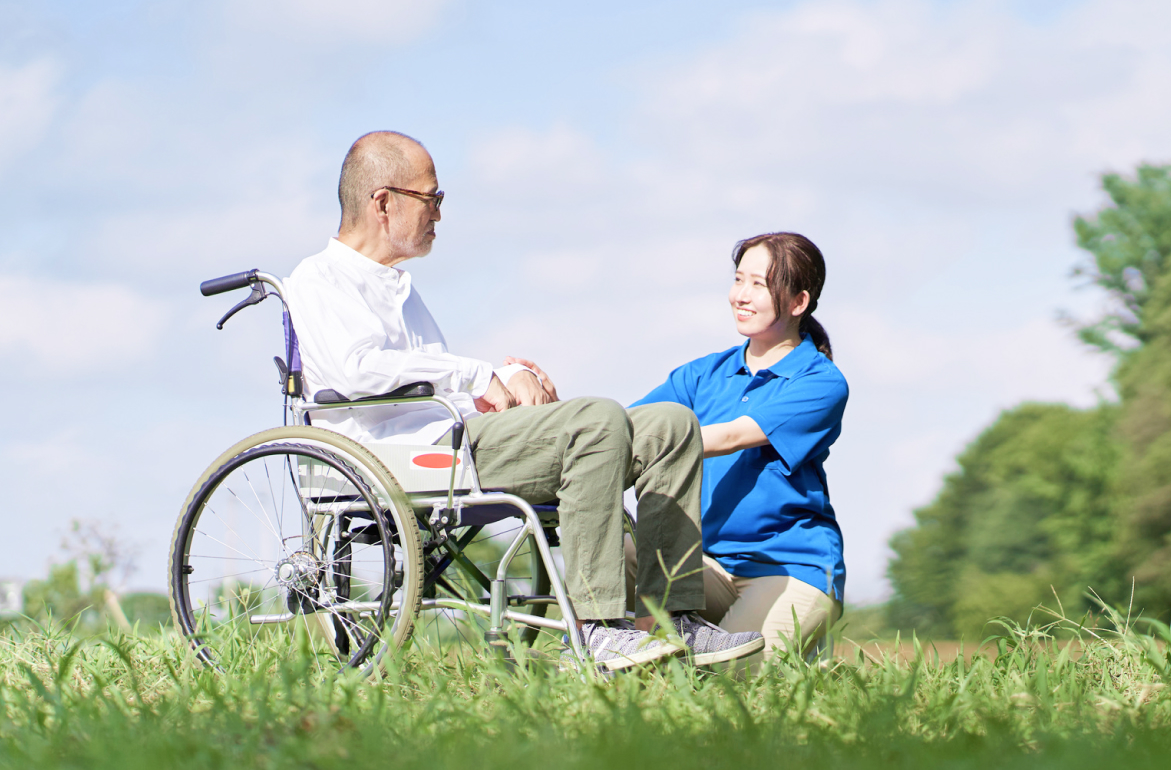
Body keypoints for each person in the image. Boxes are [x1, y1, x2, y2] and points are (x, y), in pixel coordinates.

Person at [283, 131, 763, 670]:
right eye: (432, 198)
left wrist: (508, 380)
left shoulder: (398, 285)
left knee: (671, 426)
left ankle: (671, 618)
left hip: (455, 434)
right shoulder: (319, 279)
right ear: (384, 201)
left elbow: (439, 382)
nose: (439, 213)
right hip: (404, 455)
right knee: (597, 419)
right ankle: (598, 627)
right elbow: (357, 370)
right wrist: (479, 374)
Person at [625, 232, 848, 663]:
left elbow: (727, 438)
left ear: (798, 302)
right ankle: (608, 656)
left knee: (720, 681)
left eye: (759, 285)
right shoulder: (702, 374)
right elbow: (628, 431)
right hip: (702, 567)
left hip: (787, 570)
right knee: (620, 542)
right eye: (738, 280)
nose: (740, 296)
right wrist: (569, 422)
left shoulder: (820, 383)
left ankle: (804, 657)